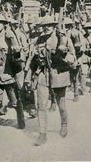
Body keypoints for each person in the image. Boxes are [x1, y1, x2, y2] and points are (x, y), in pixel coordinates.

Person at [25, 15, 75, 146]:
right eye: (44, 26)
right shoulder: (38, 40)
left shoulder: (63, 39)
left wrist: (64, 54)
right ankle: (42, 134)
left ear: (54, 26)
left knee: (61, 104)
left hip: (59, 74)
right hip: (43, 74)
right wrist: (29, 76)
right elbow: (33, 60)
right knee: (41, 105)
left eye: (49, 25)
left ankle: (64, 124)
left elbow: (73, 60)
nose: (46, 28)